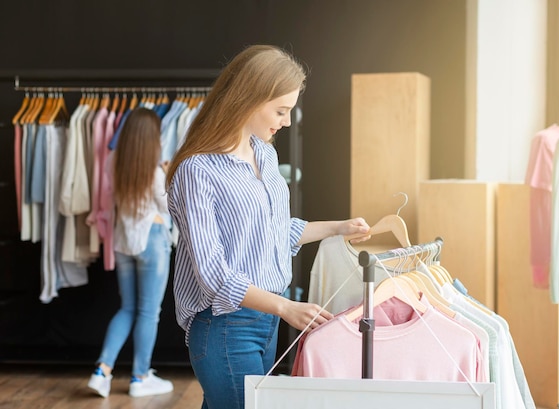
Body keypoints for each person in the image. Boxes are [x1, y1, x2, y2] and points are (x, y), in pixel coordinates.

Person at [165, 44, 371, 409]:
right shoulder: (197, 171)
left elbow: (275, 232)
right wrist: (286, 308)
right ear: (248, 98)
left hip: (267, 322)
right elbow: (213, 274)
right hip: (226, 326)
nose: (287, 121)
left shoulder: (265, 154)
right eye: (281, 110)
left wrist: (338, 227)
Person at [87, 107, 174, 398]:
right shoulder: (153, 168)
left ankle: (102, 371)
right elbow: (167, 206)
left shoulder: (113, 160)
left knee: (127, 308)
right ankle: (140, 377)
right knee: (149, 312)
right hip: (152, 238)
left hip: (123, 241)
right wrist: (166, 174)